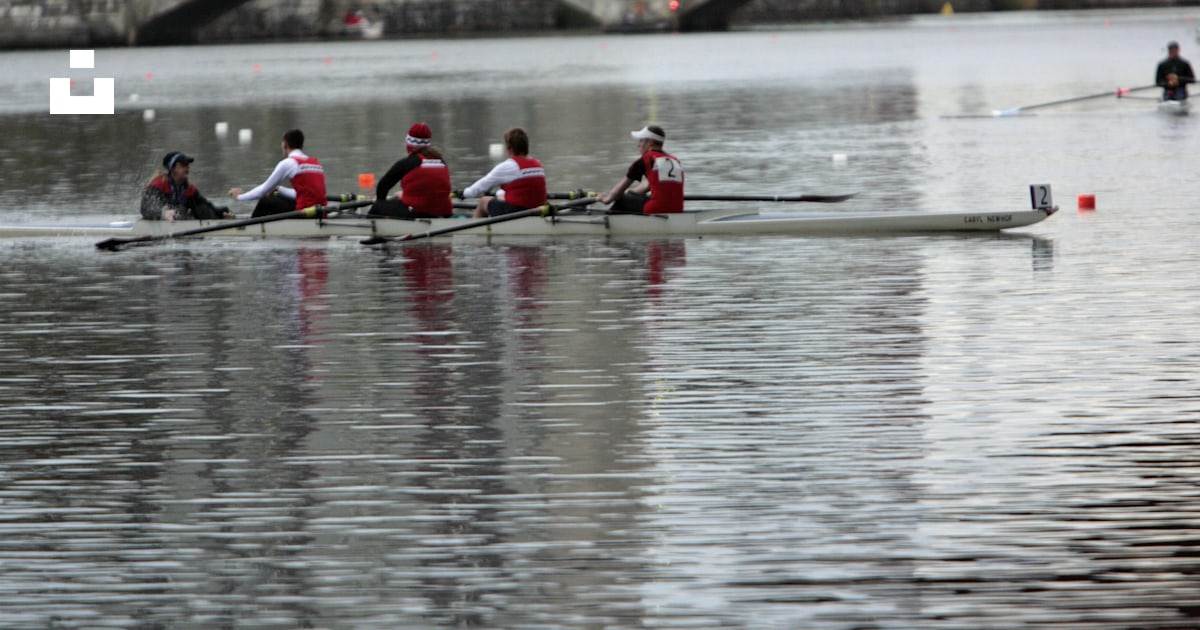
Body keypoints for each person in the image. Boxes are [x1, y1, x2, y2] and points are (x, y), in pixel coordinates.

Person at [228, 128, 327, 217]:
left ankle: (250, 228)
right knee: (277, 195)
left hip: (304, 213)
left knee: (266, 201)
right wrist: (279, 189)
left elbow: (263, 191)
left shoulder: (288, 163)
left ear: (285, 144)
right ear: (302, 146)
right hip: (321, 211)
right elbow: (302, 193)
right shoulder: (316, 163)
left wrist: (239, 197)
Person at [370, 122, 453, 219]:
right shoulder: (441, 161)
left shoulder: (408, 163)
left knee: (377, 207)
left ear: (409, 145)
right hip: (445, 212)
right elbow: (430, 189)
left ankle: (374, 229)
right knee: (396, 200)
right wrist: (405, 196)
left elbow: (382, 187)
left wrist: (381, 203)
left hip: (417, 213)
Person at [459, 127, 546, 219]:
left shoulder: (509, 166)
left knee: (483, 201)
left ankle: (474, 232)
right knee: (500, 197)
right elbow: (522, 190)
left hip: (518, 212)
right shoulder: (537, 164)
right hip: (538, 210)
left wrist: (464, 193)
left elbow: (481, 186)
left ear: (509, 148)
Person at [598, 124, 684, 214]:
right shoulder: (675, 160)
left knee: (621, 200)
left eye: (641, 141)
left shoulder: (645, 160)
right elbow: (647, 186)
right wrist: (629, 194)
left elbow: (619, 189)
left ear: (650, 142)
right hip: (677, 210)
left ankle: (606, 221)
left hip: (655, 209)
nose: (638, 145)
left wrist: (607, 198)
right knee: (628, 196)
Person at [140, 151, 234, 220]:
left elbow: (206, 206)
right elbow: (146, 208)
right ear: (174, 168)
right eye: (184, 165)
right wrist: (163, 214)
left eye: (188, 165)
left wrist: (222, 214)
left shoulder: (189, 189)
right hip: (158, 223)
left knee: (202, 209)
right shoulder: (158, 185)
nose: (188, 167)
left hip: (179, 222)